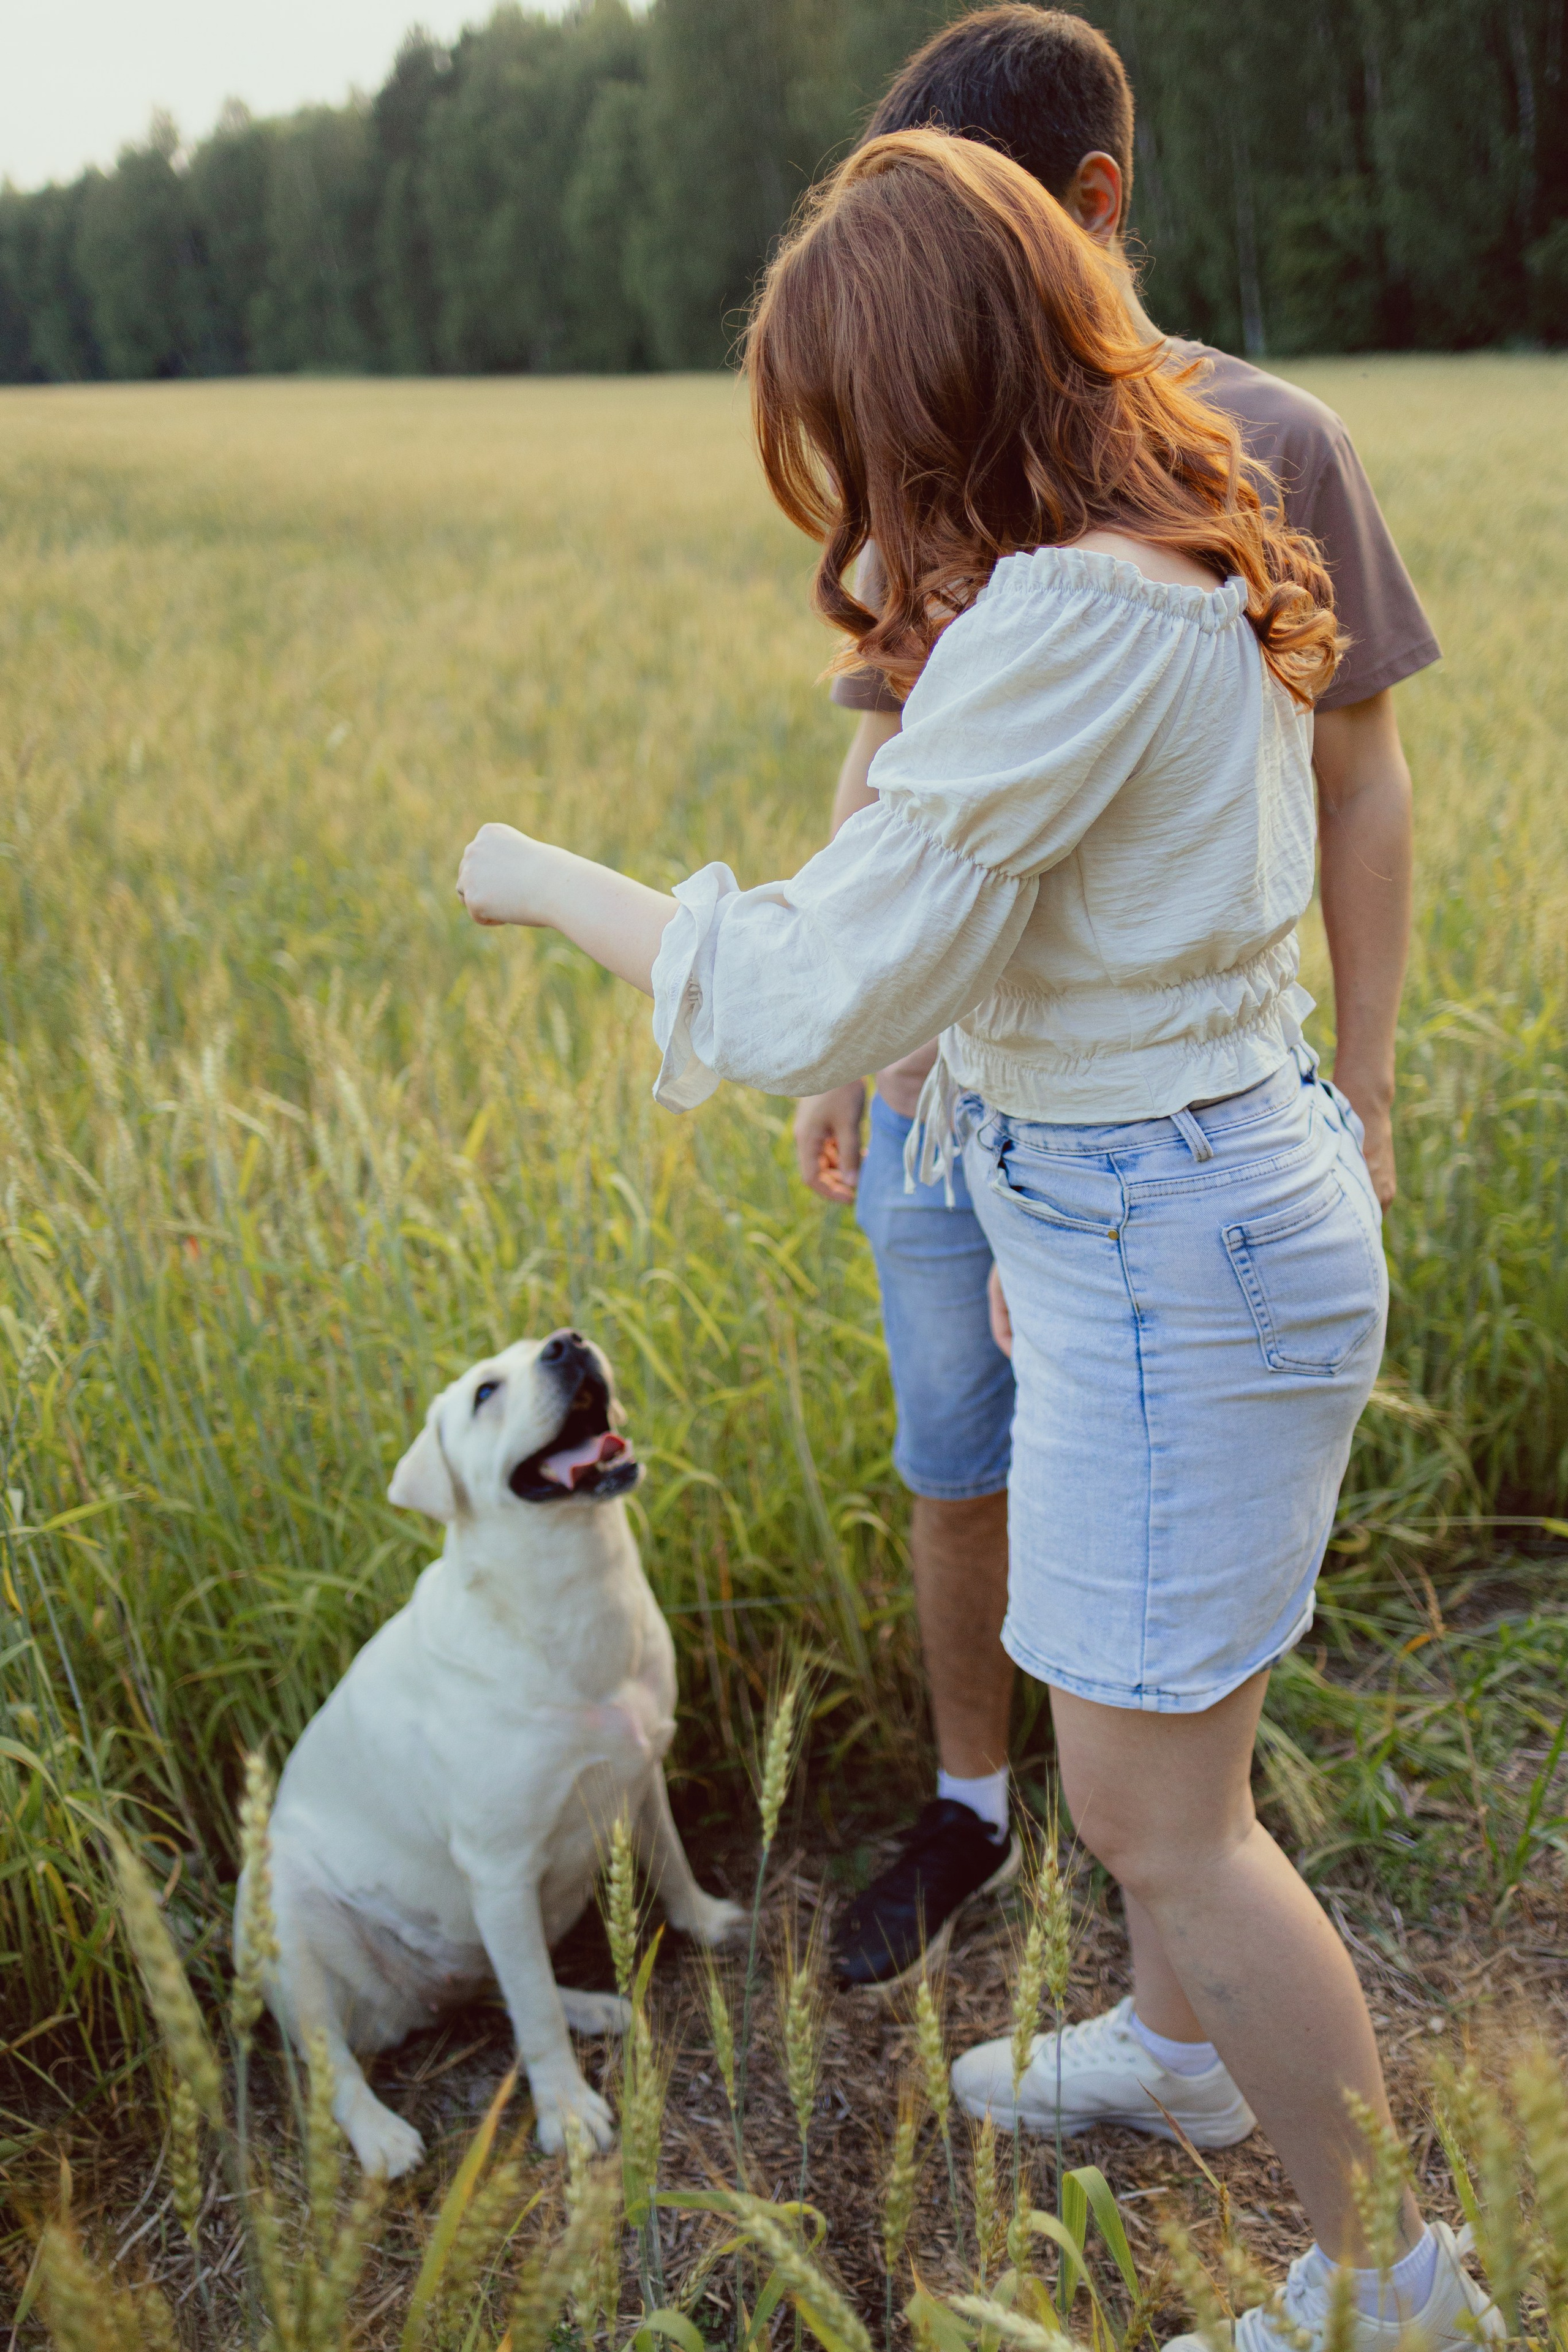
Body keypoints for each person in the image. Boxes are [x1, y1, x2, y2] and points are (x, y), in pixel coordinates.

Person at [456, 129, 1493, 2352]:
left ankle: (1397, 2286)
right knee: (1159, 1736)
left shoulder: (1066, 610)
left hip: (1180, 1235)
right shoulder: (1174, 520)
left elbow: (814, 987)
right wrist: (1035, 1182)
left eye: (853, 426)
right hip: (1178, 1200)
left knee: (1152, 1800)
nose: (850, 487)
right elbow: (1078, 954)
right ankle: (1186, 2058)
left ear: (931, 388)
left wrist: (536, 870)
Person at [790, 6, 1436, 2012]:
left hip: (1163, 1105)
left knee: (1139, 1445)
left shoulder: (1263, 449)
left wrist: (1369, 1076)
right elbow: (891, 764)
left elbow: (1350, 778)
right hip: (949, 1090)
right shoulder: (940, 431)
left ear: (1091, 206)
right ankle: (980, 1802)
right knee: (961, 1442)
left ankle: (1169, 1838)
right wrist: (842, 1033)